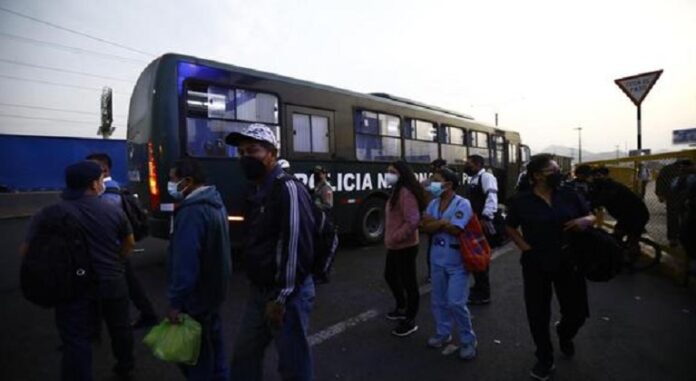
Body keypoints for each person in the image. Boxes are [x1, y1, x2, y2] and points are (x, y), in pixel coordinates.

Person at [20, 161, 135, 379]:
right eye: (101, 179)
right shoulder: (112, 211)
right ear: (94, 184)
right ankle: (125, 365)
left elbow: (26, 251)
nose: (102, 183)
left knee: (76, 340)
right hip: (112, 281)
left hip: (71, 287)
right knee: (120, 328)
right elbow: (128, 243)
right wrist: (116, 261)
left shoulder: (48, 213)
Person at [226, 123, 316, 381]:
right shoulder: (256, 190)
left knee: (293, 364)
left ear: (272, 154)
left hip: (287, 295)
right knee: (244, 357)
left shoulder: (287, 188)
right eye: (241, 153)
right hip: (259, 291)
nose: (245, 158)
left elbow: (295, 243)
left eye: (252, 150)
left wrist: (282, 297)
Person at [505, 154, 595, 381]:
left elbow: (591, 216)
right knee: (537, 313)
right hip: (536, 264)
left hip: (568, 260)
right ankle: (544, 358)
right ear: (536, 176)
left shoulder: (569, 194)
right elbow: (510, 227)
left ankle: (565, 333)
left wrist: (585, 221)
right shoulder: (521, 200)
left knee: (576, 312)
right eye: (552, 170)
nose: (559, 174)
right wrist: (526, 248)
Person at [166, 157, 232, 380]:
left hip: (195, 297)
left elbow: (186, 261)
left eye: (173, 180)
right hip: (214, 291)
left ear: (188, 181)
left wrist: (176, 302)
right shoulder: (215, 202)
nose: (172, 186)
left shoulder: (192, 212)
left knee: (195, 357)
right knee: (215, 346)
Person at [86, 152, 158, 329]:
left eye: (91, 166)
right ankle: (147, 314)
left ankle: (99, 329)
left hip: (112, 250)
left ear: (104, 169)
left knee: (112, 290)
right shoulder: (105, 189)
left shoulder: (109, 191)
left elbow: (105, 223)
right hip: (116, 249)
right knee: (130, 284)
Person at [420, 167, 478, 360]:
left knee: (456, 303)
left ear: (449, 184)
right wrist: (443, 222)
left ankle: (468, 340)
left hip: (457, 262)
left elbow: (456, 229)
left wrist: (436, 222)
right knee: (438, 301)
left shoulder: (463, 203)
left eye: (435, 180)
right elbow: (423, 226)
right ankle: (443, 332)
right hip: (437, 259)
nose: (431, 183)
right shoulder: (434, 203)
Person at [383, 160, 428, 337]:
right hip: (395, 246)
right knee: (390, 275)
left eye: (392, 171)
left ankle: (410, 320)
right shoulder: (396, 191)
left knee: (409, 283)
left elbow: (413, 220)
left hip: (405, 246)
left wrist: (396, 237)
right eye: (388, 171)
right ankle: (401, 306)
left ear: (402, 174)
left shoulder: (406, 193)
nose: (389, 174)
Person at [589, 167, 650, 269]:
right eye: (594, 176)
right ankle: (619, 257)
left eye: (599, 175)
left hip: (637, 215)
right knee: (617, 237)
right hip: (624, 216)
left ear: (606, 175)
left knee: (632, 240)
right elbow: (592, 197)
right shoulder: (599, 186)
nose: (596, 177)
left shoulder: (613, 186)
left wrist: (592, 204)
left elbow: (603, 198)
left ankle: (632, 263)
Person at [463, 154, 498, 305]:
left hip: (481, 222)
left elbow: (491, 198)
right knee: (475, 256)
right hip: (474, 222)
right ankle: (478, 286)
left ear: (477, 164)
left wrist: (486, 217)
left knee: (481, 257)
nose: (467, 166)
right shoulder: (474, 178)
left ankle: (484, 293)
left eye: (469, 164)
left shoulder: (486, 177)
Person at [656, 160, 692, 246]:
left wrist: (660, 194)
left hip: (675, 197)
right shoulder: (690, 169)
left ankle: (675, 238)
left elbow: (659, 181)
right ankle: (679, 237)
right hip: (682, 197)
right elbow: (660, 181)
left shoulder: (667, 169)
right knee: (681, 217)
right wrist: (660, 194)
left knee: (674, 218)